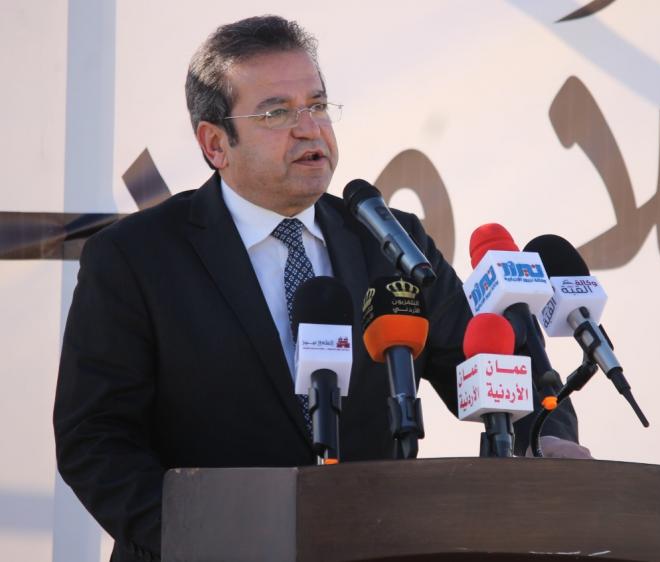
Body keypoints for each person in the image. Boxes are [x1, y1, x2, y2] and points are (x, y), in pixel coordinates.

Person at [53, 15, 587, 562]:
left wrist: (543, 435)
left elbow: (486, 363)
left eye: (318, 105)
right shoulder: (136, 256)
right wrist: (201, 536)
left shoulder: (391, 242)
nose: (309, 129)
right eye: (277, 113)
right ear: (215, 144)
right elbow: (95, 439)